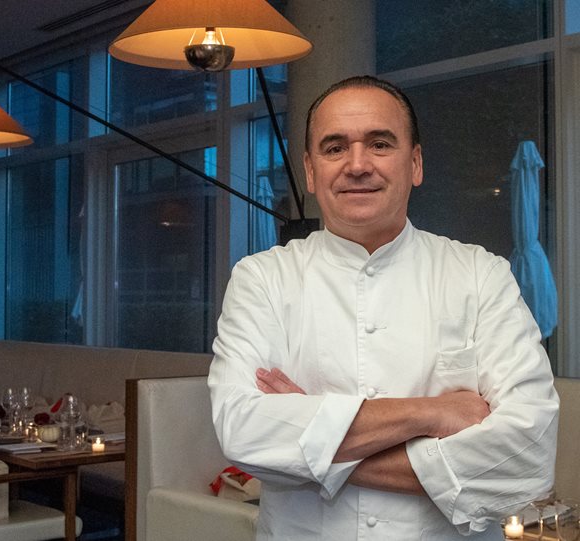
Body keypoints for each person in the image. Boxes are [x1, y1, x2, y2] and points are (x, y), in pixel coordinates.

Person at [208, 76, 559, 540]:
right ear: (310, 171)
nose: (357, 165)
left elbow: (527, 458)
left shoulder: (481, 275)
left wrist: (307, 449)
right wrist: (431, 413)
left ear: (415, 163)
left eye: (379, 144)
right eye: (335, 148)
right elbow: (243, 433)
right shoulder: (262, 279)